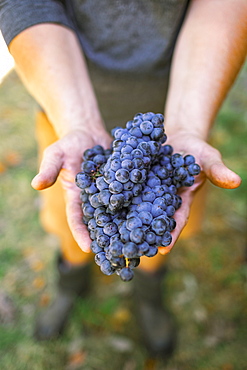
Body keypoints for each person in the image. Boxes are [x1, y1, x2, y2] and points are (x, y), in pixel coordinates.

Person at [0, 0, 246, 358]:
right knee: (71, 223)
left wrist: (189, 123)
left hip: (179, 109)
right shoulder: (88, 161)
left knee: (164, 231)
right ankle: (71, 282)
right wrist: (76, 121)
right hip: (65, 114)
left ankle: (149, 294)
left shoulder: (168, 153)